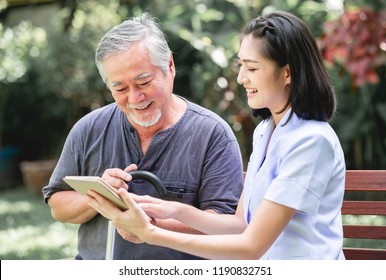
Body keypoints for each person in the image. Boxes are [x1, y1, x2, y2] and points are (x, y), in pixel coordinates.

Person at [86, 11, 346, 260]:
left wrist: (151, 234)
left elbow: (251, 246)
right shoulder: (267, 131)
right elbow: (239, 223)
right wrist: (173, 210)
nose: (242, 77)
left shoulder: (312, 141)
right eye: (241, 65)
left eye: (252, 68)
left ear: (287, 72)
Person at [42, 13, 244, 260]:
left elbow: (228, 228)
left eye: (144, 82)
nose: (135, 98)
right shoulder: (88, 129)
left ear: (170, 67)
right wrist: (98, 196)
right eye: (120, 89)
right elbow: (58, 205)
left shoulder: (213, 135)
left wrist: (151, 227)